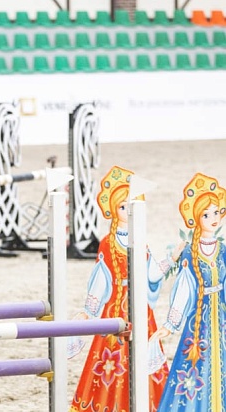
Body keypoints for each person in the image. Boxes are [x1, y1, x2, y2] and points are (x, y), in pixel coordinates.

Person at [69, 165, 173, 412]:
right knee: (110, 358)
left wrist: (171, 258)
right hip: (115, 309)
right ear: (115, 210)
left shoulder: (141, 241)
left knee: (143, 355)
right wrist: (89, 310)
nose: (127, 210)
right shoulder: (107, 243)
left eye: (131, 205)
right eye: (122, 206)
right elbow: (100, 279)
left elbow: (152, 274)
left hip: (141, 313)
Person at [151, 172, 226, 411]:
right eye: (206, 214)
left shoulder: (223, 250)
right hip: (199, 325)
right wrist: (170, 325)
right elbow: (184, 290)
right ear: (196, 217)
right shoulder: (189, 254)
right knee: (195, 366)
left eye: (216, 212)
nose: (213, 218)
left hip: (222, 321)